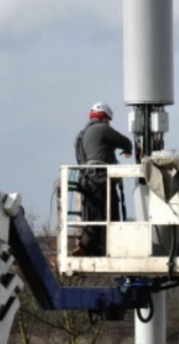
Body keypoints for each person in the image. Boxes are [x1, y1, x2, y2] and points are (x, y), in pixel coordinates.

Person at [73, 102, 133, 256]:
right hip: (100, 179)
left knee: (95, 213)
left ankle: (93, 247)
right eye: (108, 119)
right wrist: (128, 149)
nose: (109, 122)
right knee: (107, 213)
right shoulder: (102, 129)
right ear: (103, 117)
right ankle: (98, 248)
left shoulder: (83, 133)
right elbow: (125, 141)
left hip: (87, 178)